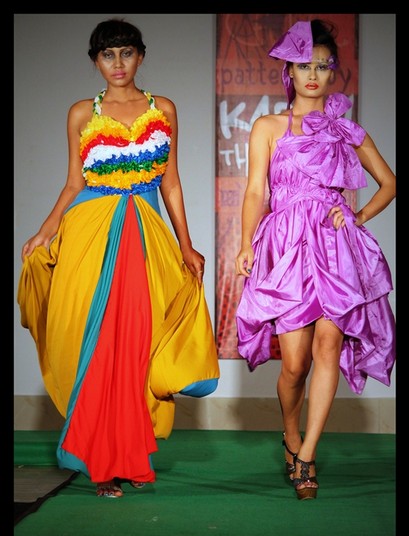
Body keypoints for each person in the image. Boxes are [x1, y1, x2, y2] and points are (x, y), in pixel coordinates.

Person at [18, 18, 220, 498]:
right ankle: (103, 462)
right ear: (96, 61)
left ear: (140, 56)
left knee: (136, 344)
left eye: (126, 53)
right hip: (92, 235)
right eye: (108, 55)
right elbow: (75, 182)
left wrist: (186, 243)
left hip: (146, 235)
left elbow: (171, 182)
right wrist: (46, 230)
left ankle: (128, 454)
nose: (118, 63)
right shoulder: (80, 113)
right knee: (100, 344)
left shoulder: (163, 108)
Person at [235, 19, 396, 500]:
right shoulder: (268, 127)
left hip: (333, 248)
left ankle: (307, 456)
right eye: (304, 65)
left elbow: (389, 182)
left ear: (332, 73)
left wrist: (357, 216)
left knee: (328, 346)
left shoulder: (346, 129)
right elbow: (255, 191)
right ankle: (290, 433)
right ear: (288, 71)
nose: (313, 74)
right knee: (295, 363)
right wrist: (246, 243)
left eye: (323, 66)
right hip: (287, 245)